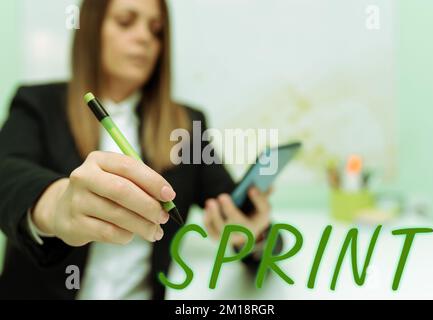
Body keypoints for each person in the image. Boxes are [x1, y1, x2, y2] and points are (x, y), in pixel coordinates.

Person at [0, 0, 279, 299]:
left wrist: (254, 235)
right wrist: (57, 205)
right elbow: (7, 174)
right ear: (92, 30)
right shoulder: (39, 104)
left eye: (156, 30)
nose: (144, 37)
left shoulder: (186, 125)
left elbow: (238, 214)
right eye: (125, 21)